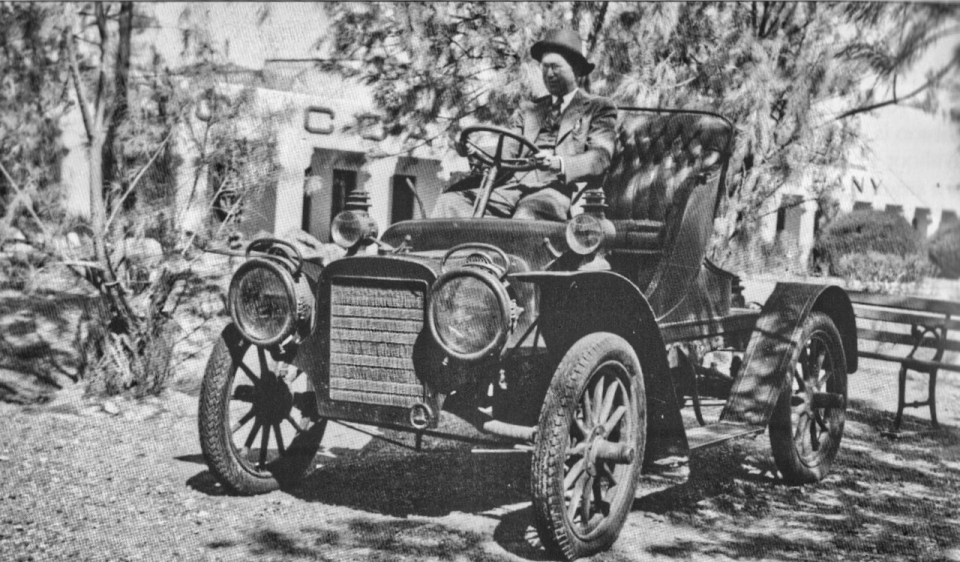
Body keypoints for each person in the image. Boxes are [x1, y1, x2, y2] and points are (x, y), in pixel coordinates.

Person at [431, 28, 617, 221]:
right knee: (450, 203)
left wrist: (559, 163)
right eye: (545, 67)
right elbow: (504, 155)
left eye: (556, 67)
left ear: (576, 69)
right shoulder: (529, 110)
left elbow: (601, 157)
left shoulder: (598, 108)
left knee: (527, 216)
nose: (549, 74)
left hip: (558, 191)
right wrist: (471, 150)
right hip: (512, 188)